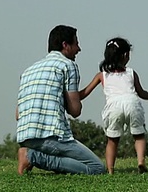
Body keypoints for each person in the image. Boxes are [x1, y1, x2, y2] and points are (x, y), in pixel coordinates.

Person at [16, 25, 106, 175]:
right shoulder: (68, 65)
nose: (79, 49)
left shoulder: (29, 71)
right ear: (65, 45)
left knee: (70, 161)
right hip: (51, 136)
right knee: (97, 168)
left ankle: (31, 153)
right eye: (76, 43)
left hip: (25, 136)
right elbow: (75, 111)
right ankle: (32, 156)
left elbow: (18, 114)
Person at [79, 37, 148, 174]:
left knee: (112, 140)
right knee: (139, 136)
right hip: (132, 103)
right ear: (125, 55)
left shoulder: (102, 75)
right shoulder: (131, 73)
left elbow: (85, 92)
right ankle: (140, 161)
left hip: (113, 107)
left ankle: (110, 170)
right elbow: (141, 92)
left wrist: (72, 96)